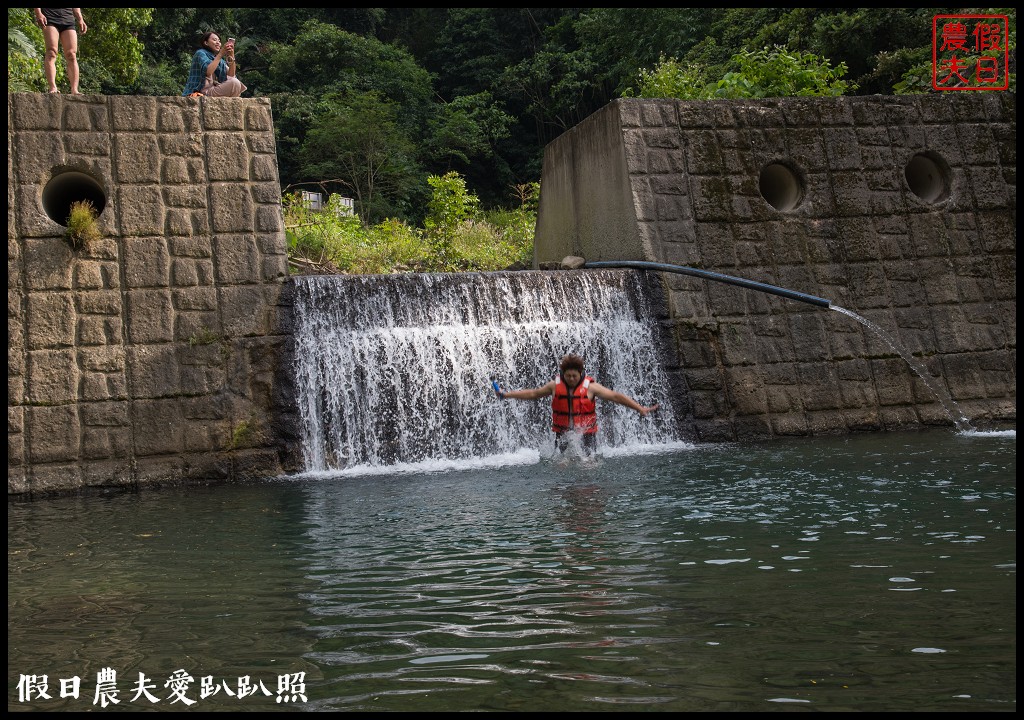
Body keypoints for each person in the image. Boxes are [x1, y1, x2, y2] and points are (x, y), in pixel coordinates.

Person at [494, 353, 659, 455]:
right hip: (563, 432)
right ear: (562, 374)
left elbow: (616, 396)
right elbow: (533, 393)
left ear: (580, 374)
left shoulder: (591, 387)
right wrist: (506, 394)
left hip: (586, 433)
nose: (571, 379)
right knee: (561, 463)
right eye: (568, 376)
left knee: (589, 464)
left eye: (574, 376)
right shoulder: (554, 386)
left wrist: (640, 409)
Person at [33, 8, 87, 94]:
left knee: (71, 54)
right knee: (51, 52)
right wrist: (38, 13)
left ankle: (74, 89)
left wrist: (80, 19)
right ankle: (53, 87)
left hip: (68, 18)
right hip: (49, 17)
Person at [182, 32, 246, 98]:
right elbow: (208, 71)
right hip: (201, 91)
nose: (218, 43)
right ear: (206, 43)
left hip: (211, 90)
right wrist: (220, 54)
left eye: (219, 41)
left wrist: (231, 55)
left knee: (236, 83)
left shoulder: (218, 60)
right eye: (215, 40)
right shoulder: (200, 53)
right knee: (235, 83)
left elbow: (231, 76)